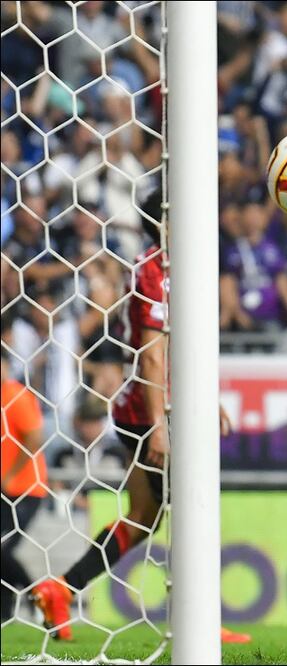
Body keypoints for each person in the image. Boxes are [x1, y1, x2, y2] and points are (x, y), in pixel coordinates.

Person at [30, 192, 248, 645]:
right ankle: (200, 621)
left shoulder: (177, 265)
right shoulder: (156, 270)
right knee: (193, 503)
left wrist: (207, 397)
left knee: (146, 516)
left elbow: (179, 347)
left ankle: (60, 589)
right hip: (152, 410)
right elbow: (152, 356)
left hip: (161, 404)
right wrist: (159, 428)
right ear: (168, 218)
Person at [1, 342, 47, 623]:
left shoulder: (15, 395)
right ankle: (5, 614)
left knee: (2, 550)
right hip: (5, 492)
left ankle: (35, 593)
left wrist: (10, 474)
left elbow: (35, 438)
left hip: (26, 490)